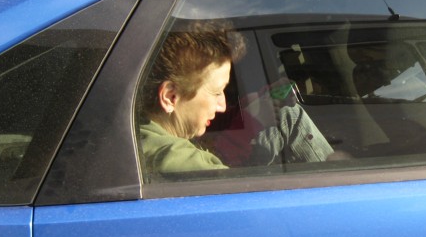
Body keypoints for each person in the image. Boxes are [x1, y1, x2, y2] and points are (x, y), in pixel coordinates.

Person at [139, 20, 333, 175]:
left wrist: (248, 108)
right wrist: (250, 121)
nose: (222, 105)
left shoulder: (144, 125)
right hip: (232, 160)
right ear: (170, 96)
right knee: (289, 115)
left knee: (285, 114)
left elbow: (205, 126)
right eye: (216, 92)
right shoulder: (182, 164)